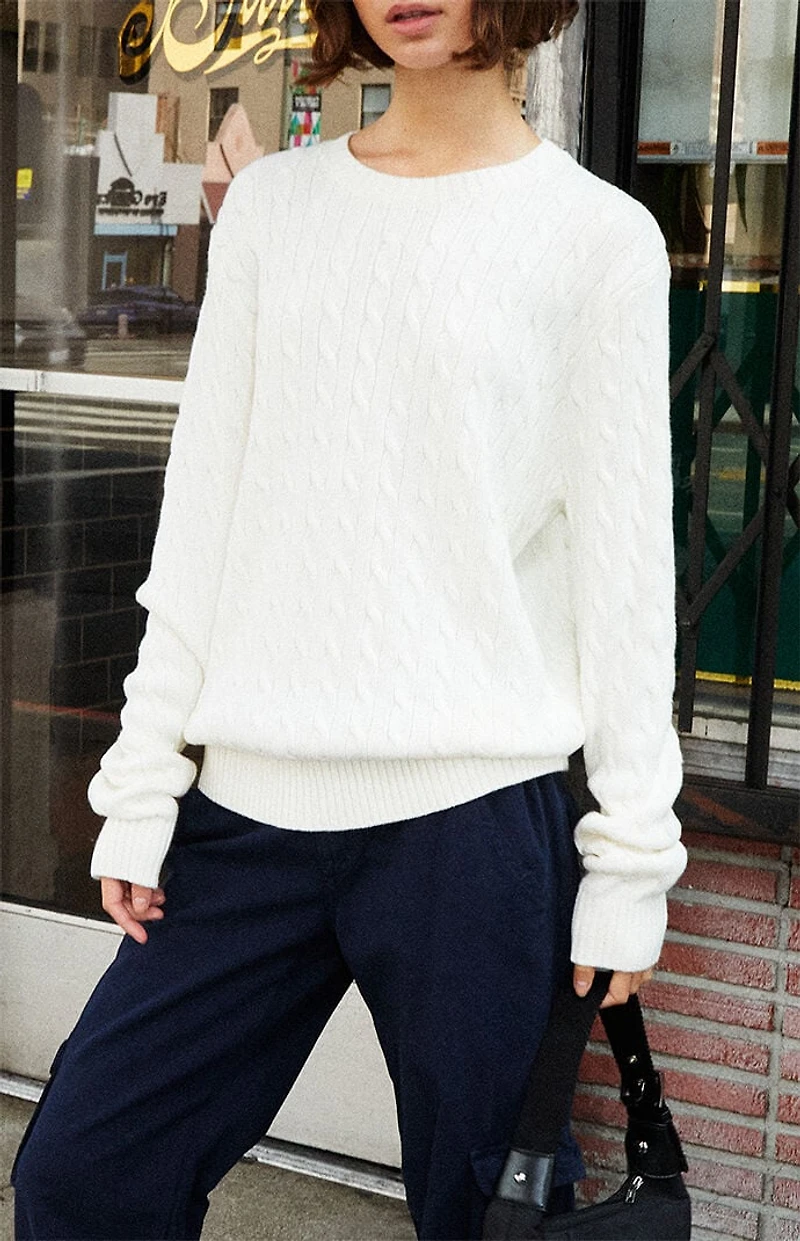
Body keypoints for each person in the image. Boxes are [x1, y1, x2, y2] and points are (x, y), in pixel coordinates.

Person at [11, 1, 687, 1237]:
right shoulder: (276, 211)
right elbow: (201, 518)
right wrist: (144, 781)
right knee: (83, 1175)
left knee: (489, 1214)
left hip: (469, 825)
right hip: (246, 813)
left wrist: (629, 863)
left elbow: (624, 581)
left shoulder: (597, 239)